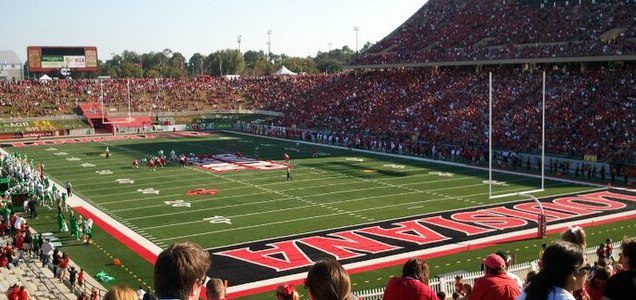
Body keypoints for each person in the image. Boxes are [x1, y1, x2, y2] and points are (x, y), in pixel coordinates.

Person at [517, 241, 587, 300]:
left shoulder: (529, 289)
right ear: (574, 274)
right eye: (586, 268)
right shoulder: (564, 298)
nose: (587, 272)